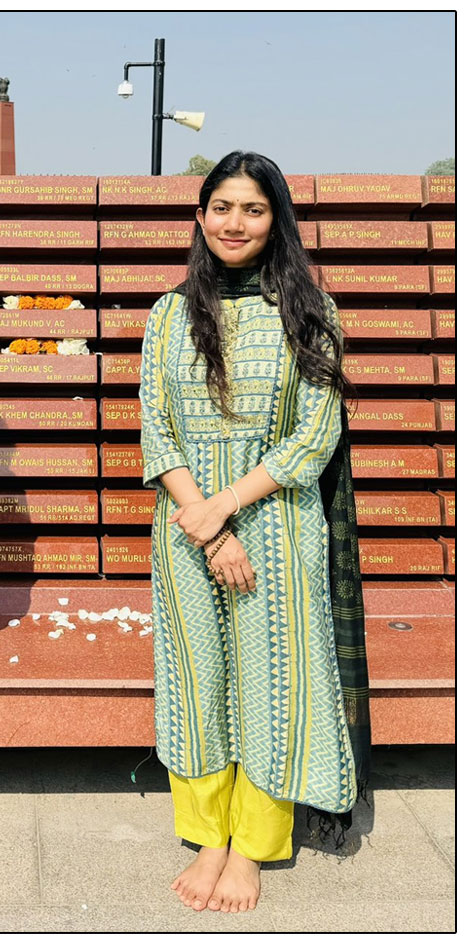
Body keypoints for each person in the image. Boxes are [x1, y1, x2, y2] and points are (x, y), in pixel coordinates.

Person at [139, 150, 369, 914]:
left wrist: (227, 507)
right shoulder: (169, 314)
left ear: (277, 222)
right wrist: (204, 525)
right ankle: (209, 834)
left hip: (276, 523)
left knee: (274, 684)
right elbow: (156, 428)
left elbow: (313, 435)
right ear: (200, 217)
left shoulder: (310, 312)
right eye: (222, 207)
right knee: (199, 679)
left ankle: (255, 843)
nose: (235, 222)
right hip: (185, 526)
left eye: (253, 209)